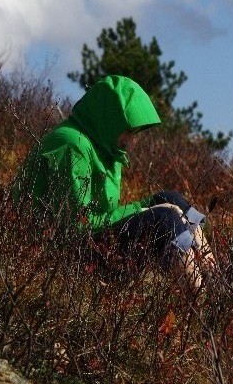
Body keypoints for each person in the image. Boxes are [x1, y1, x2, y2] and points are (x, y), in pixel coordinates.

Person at [12, 75, 214, 290]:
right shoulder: (72, 145)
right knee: (166, 217)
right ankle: (199, 300)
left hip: (89, 240)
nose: (132, 139)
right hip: (59, 251)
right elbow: (77, 224)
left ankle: (214, 279)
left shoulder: (106, 148)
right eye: (128, 131)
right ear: (109, 119)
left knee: (171, 199)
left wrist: (172, 215)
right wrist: (142, 209)